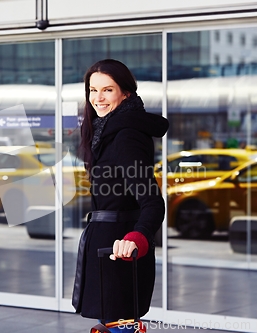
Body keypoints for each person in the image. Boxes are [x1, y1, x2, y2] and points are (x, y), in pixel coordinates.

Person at [72, 59, 169, 332]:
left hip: (120, 252)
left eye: (107, 90)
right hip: (106, 247)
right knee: (113, 325)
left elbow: (151, 200)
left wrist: (136, 238)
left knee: (121, 326)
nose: (98, 98)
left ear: (125, 93)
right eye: (93, 90)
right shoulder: (103, 132)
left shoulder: (126, 136)